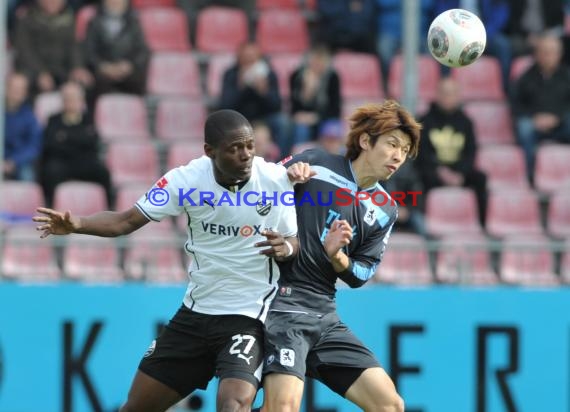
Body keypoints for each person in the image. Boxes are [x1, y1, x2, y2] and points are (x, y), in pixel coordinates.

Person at [33, 110, 304, 412]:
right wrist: (78, 224)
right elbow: (126, 221)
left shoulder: (274, 180)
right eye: (235, 148)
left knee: (233, 405)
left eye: (250, 146)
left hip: (249, 315)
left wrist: (286, 249)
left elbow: (293, 240)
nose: (246, 155)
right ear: (209, 152)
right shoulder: (185, 181)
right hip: (195, 316)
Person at [258, 100, 422, 412]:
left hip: (325, 315)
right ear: (365, 141)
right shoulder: (316, 163)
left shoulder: (386, 208)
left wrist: (338, 258)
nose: (398, 156)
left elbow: (363, 272)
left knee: (391, 406)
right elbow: (257, 194)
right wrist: (285, 179)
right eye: (392, 144)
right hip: (283, 304)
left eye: (405, 150)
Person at [416, 77, 488, 226]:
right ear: (437, 94)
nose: (448, 97)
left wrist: (460, 173)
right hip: (433, 172)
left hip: (459, 171)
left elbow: (471, 151)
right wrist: (440, 171)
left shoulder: (466, 122)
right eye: (444, 93)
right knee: (419, 179)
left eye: (452, 93)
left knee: (480, 179)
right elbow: (421, 153)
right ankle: (425, 223)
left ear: (458, 96)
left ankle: (481, 223)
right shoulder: (424, 120)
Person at [39, 81, 113, 207]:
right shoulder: (53, 119)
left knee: (103, 172)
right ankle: (50, 208)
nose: (70, 102)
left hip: (84, 163)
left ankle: (109, 209)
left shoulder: (88, 119)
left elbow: (92, 143)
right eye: (67, 98)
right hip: (61, 163)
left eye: (74, 98)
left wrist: (65, 138)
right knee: (49, 172)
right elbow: (50, 145)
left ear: (81, 100)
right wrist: (78, 140)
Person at [510, 33, 570, 182]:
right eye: (544, 52)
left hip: (561, 124)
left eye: (552, 52)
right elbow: (516, 105)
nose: (548, 56)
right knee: (524, 127)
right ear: (536, 54)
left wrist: (558, 118)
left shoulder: (567, 76)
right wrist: (534, 118)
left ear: (559, 55)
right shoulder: (525, 78)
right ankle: (530, 175)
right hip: (534, 124)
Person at [219, 42, 288, 158]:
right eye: (246, 58)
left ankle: (282, 161)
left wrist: (263, 92)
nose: (249, 62)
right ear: (239, 58)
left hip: (264, 118)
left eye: (252, 58)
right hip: (239, 118)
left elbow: (277, 106)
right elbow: (225, 105)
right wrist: (240, 88)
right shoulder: (231, 74)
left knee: (283, 123)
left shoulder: (269, 74)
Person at [13, 0, 93, 95]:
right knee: (22, 83)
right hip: (33, 70)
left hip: (62, 70)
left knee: (84, 81)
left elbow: (74, 46)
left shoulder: (70, 19)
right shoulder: (27, 19)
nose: (52, 2)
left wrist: (77, 67)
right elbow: (25, 50)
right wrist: (40, 72)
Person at [83, 0, 150, 102]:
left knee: (137, 81)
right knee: (93, 84)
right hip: (102, 74)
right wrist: (103, 66)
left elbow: (142, 51)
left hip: (128, 73)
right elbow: (89, 52)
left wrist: (129, 65)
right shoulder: (94, 23)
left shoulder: (134, 23)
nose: (115, 2)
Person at [288, 45, 341, 155]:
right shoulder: (297, 76)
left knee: (332, 128)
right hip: (302, 119)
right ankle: (298, 160)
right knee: (301, 129)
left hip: (324, 117)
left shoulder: (332, 77)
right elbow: (294, 108)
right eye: (314, 61)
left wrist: (316, 117)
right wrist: (306, 92)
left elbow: (335, 109)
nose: (317, 65)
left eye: (321, 61)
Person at [4, 72, 42, 182]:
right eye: (14, 88)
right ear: (6, 88)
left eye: (21, 89)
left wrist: (14, 162)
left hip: (18, 163)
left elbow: (34, 146)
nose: (17, 92)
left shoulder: (29, 117)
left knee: (27, 174)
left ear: (25, 93)